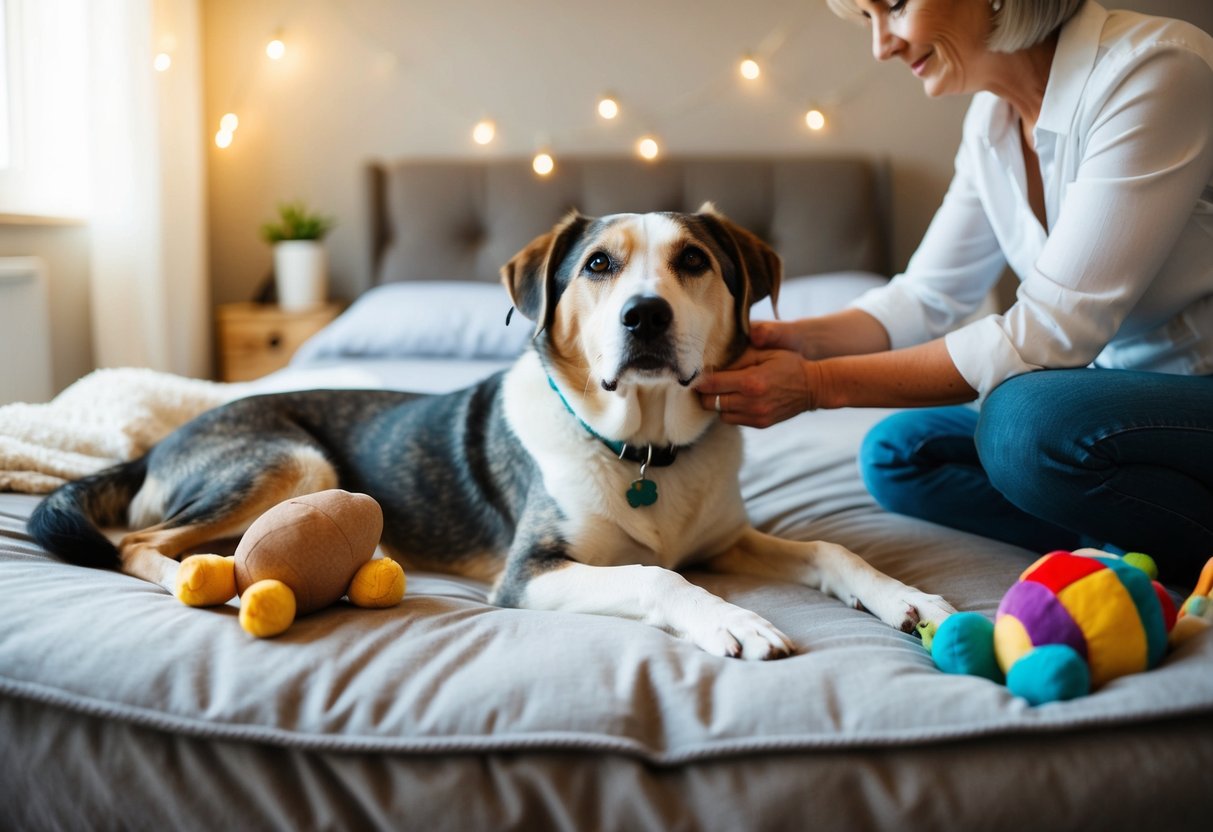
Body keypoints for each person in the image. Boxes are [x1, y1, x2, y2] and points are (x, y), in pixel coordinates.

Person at [695, 0, 1213, 585]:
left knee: (1022, 423)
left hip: (1196, 389)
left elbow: (1048, 335)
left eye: (892, 7)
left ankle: (1146, 544)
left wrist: (816, 386)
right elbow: (926, 296)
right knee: (897, 453)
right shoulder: (991, 123)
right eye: (866, 20)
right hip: (1116, 393)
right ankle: (1122, 535)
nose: (881, 46)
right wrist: (786, 339)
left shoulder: (1156, 68)